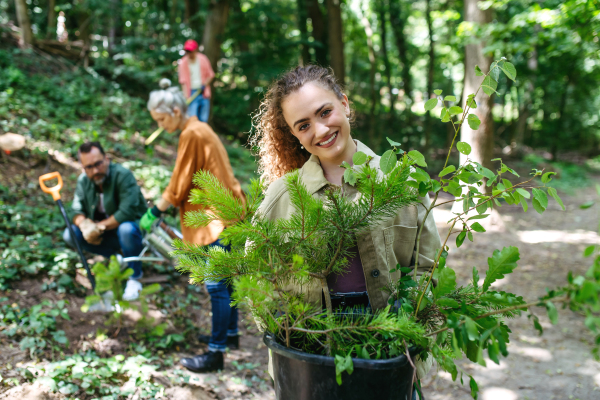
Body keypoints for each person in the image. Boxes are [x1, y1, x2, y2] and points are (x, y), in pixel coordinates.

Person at [250, 65, 442, 398]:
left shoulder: (402, 181)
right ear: (294, 136)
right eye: (304, 125)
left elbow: (429, 266)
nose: (321, 129)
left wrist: (413, 332)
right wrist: (285, 330)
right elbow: (253, 276)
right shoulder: (282, 196)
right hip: (310, 353)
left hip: (390, 344)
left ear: (345, 103)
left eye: (325, 112)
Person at [144, 78, 245, 372]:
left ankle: (215, 354)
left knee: (216, 286)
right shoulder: (199, 129)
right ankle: (230, 335)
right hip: (227, 210)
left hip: (215, 217)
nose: (161, 126)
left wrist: (155, 211)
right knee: (227, 281)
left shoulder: (192, 133)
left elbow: (179, 183)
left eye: (162, 119)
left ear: (176, 111)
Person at [63, 142, 147, 300]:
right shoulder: (84, 181)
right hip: (107, 234)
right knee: (70, 234)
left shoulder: (123, 176)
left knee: (126, 229)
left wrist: (99, 227)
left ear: (107, 159)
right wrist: (84, 225)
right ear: (83, 167)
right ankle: (116, 257)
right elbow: (75, 210)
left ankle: (134, 277)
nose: (95, 170)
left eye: (98, 164)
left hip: (132, 229)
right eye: (89, 167)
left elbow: (127, 212)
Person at [178, 39, 215, 123]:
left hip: (203, 92)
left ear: (196, 50)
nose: (189, 53)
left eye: (190, 51)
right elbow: (183, 81)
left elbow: (211, 75)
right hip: (191, 93)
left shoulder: (203, 59)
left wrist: (204, 85)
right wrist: (186, 97)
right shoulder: (183, 63)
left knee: (203, 119)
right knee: (192, 118)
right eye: (187, 51)